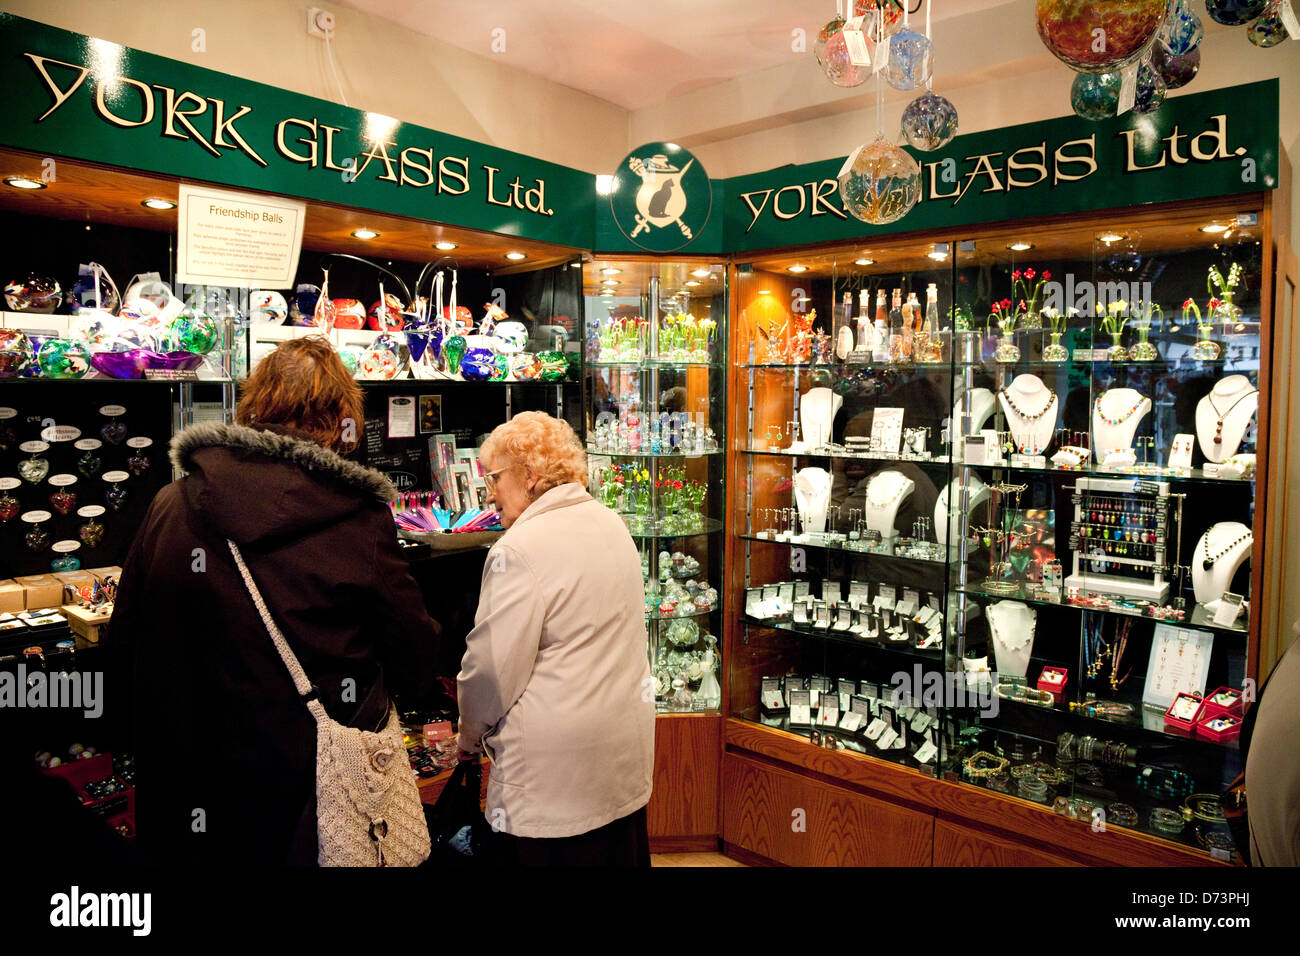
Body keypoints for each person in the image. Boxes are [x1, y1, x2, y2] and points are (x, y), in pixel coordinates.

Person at [111, 336, 442, 866]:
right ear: (340, 419)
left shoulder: (172, 505)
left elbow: (127, 640)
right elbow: (413, 652)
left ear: (252, 406)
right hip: (314, 793)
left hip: (192, 780)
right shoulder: (358, 517)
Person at [457, 411, 654, 866]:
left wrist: (468, 736)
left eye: (495, 478)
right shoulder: (611, 524)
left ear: (529, 476)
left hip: (551, 786)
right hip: (620, 763)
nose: (488, 494)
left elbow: (490, 672)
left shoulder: (519, 549)